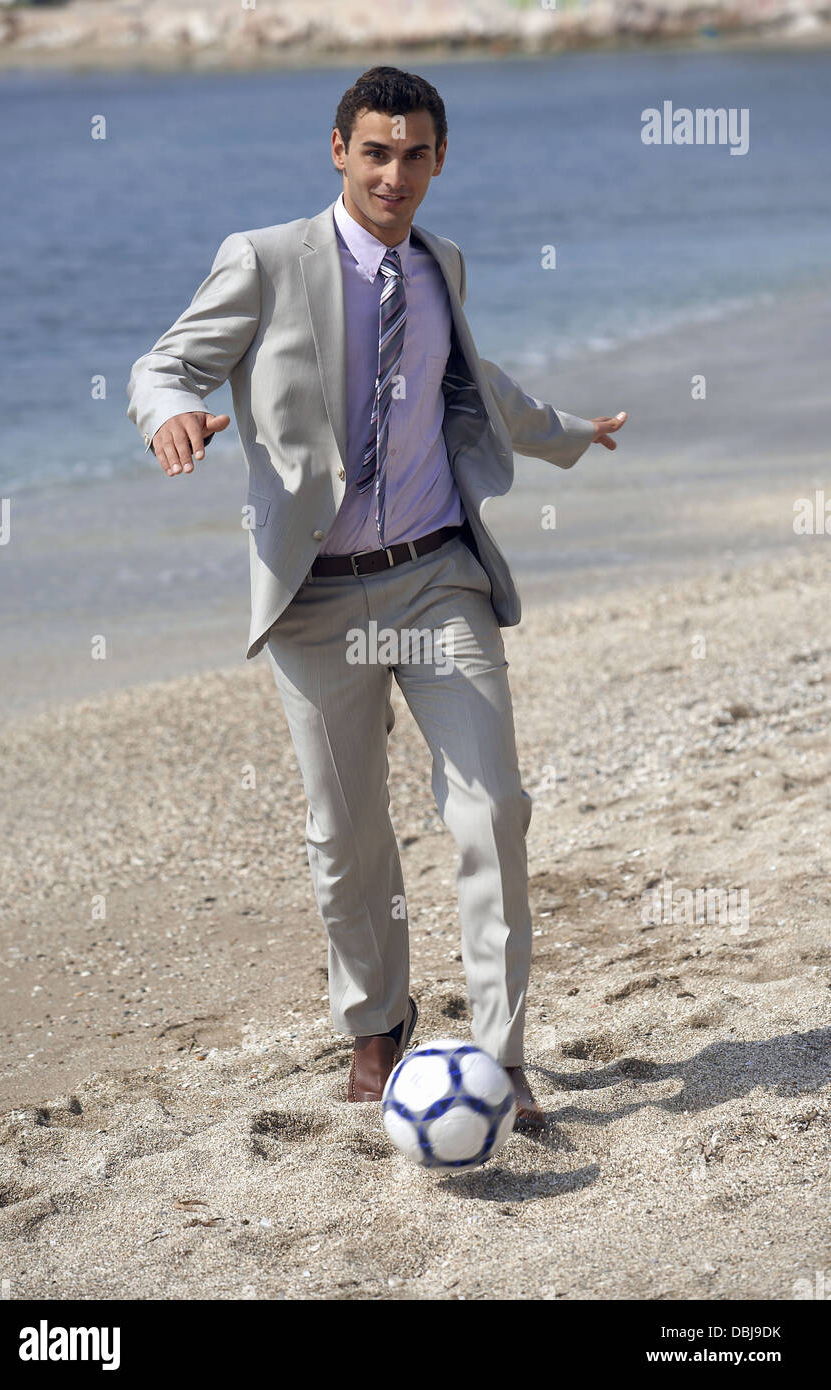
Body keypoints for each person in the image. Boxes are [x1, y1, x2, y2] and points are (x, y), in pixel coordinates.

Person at [127, 66, 627, 1126]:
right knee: (345, 835)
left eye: (413, 155)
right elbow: (167, 364)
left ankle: (499, 1055)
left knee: (493, 806)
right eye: (374, 152)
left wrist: (569, 434)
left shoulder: (439, 263)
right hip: (314, 596)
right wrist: (170, 414)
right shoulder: (264, 261)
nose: (393, 174)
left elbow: (474, 386)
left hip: (437, 576)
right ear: (338, 152)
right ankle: (377, 1023)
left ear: (438, 159)